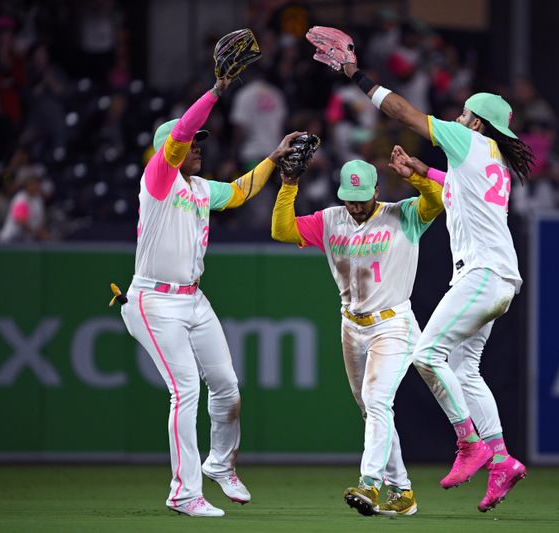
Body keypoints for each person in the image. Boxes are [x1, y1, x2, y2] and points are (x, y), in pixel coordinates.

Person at [308, 28, 534, 512]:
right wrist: (420, 171)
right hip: (498, 276)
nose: (458, 117)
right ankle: (500, 460)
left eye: (465, 113)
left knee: (428, 353)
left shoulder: (469, 142)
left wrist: (358, 76)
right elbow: (454, 188)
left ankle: (469, 442)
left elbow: (404, 113)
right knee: (465, 370)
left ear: (477, 124)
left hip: (483, 274)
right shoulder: (487, 159)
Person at [119, 65, 303, 517]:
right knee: (185, 390)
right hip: (153, 300)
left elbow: (241, 192)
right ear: (171, 150)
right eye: (192, 143)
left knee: (226, 387)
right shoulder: (158, 180)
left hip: (193, 299)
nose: (198, 147)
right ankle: (184, 493)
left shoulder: (199, 188)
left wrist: (275, 157)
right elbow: (180, 132)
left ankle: (220, 463)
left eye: (202, 142)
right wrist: (216, 91)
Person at [270, 148, 443, 517]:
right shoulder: (331, 219)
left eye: (362, 199)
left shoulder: (403, 215)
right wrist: (288, 185)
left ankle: (370, 484)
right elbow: (281, 230)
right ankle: (403, 491)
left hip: (393, 322)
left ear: (376, 190)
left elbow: (437, 199)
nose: (356, 207)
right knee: (370, 409)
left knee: (378, 402)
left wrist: (414, 176)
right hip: (352, 325)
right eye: (349, 200)